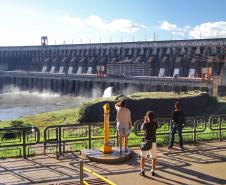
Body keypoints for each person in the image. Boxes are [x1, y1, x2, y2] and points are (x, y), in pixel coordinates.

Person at [139, 111, 158, 176]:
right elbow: (156, 127)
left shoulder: (146, 124)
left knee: (143, 157)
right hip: (153, 142)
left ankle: (142, 171)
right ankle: (153, 170)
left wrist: (145, 121)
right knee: (153, 157)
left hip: (146, 142)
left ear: (147, 117)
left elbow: (141, 128)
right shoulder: (155, 123)